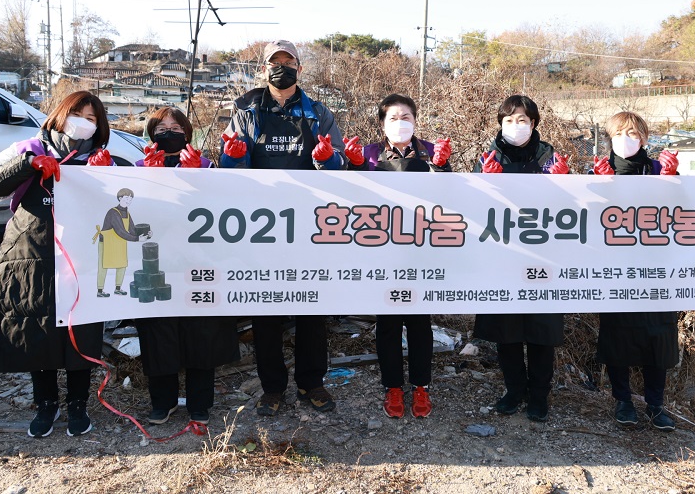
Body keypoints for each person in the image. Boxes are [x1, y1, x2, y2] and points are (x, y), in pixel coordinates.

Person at [219, 40, 347, 416]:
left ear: (299, 68)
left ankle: (312, 382)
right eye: (274, 62)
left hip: (309, 225)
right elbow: (229, 172)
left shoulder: (318, 112)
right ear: (264, 69)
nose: (281, 67)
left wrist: (326, 159)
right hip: (262, 228)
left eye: (288, 61)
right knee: (266, 312)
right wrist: (232, 158)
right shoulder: (246, 111)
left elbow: (340, 165)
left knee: (312, 308)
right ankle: (272, 388)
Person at [0, 90, 115, 438]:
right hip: (31, 254)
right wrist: (26, 165)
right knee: (36, 328)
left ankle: (78, 404)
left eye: (92, 118)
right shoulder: (28, 147)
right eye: (77, 115)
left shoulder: (101, 159)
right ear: (60, 115)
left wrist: (107, 178)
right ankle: (46, 404)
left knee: (82, 330)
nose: (83, 123)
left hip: (81, 258)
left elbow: (121, 208)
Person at [346, 94, 452, 418]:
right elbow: (350, 197)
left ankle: (421, 386)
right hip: (382, 250)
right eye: (393, 118)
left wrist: (443, 167)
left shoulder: (432, 152)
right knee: (388, 323)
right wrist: (354, 166)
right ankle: (392, 387)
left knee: (420, 322)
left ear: (416, 121)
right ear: (382, 124)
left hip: (421, 249)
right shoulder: (368, 154)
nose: (400, 123)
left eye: (406, 116)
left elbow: (451, 197)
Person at [134, 107, 239, 426]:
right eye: (161, 128)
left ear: (188, 133)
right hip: (155, 261)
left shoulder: (205, 165)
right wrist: (148, 181)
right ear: (151, 134)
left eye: (176, 127)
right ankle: (162, 402)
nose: (169, 132)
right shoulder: (138, 168)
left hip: (198, 262)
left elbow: (223, 210)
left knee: (202, 333)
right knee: (158, 333)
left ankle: (200, 403)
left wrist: (198, 180)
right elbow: (130, 214)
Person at [471, 95, 567, 422]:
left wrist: (565, 182)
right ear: (500, 124)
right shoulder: (488, 157)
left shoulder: (550, 157)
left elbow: (570, 207)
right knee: (506, 331)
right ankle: (514, 390)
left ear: (534, 123)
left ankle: (539, 395)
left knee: (542, 332)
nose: (516, 126)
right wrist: (483, 182)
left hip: (544, 256)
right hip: (503, 257)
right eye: (509, 120)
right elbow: (471, 204)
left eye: (522, 120)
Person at [592, 110, 680, 431]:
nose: (625, 140)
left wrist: (673, 181)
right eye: (618, 134)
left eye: (632, 133)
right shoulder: (600, 171)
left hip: (657, 268)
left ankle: (656, 405)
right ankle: (623, 401)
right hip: (616, 269)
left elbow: (684, 213)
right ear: (609, 139)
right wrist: (596, 189)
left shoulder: (659, 170)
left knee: (659, 336)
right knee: (618, 335)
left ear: (644, 138)